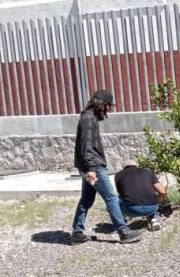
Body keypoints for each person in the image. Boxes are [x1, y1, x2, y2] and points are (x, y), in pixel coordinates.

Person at [71, 89, 143, 245]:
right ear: (101, 104)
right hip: (94, 167)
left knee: (86, 200)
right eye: (108, 106)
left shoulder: (87, 117)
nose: (108, 110)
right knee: (111, 198)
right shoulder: (89, 119)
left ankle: (77, 233)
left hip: (88, 166)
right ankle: (123, 232)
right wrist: (91, 169)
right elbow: (87, 146)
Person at [114, 160, 167, 231]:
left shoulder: (118, 175)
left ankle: (123, 224)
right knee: (153, 195)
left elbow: (121, 193)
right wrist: (159, 201)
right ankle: (154, 219)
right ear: (137, 166)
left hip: (131, 210)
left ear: (124, 167)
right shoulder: (148, 172)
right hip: (151, 208)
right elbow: (162, 192)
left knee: (116, 199)